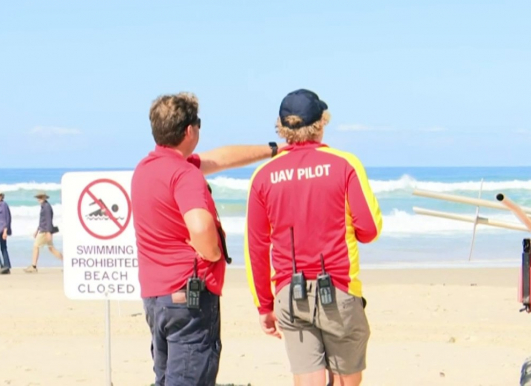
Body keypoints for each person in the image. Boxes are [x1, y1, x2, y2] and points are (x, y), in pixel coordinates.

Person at [131, 91, 284, 386]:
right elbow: (200, 226)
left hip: (156, 298)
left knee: (165, 378)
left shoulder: (146, 169)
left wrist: (274, 150)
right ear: (190, 130)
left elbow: (220, 158)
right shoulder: (184, 174)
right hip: (189, 296)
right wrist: (212, 253)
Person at [244, 89, 383, 386]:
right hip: (339, 288)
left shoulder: (263, 175)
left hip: (288, 293)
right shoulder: (344, 164)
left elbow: (256, 247)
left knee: (307, 380)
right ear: (321, 122)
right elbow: (369, 230)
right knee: (347, 379)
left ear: (282, 127)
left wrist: (264, 306)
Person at [24, 191, 63, 273]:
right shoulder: (43, 206)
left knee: (36, 246)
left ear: (45, 197)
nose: (39, 199)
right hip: (43, 230)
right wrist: (37, 230)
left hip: (45, 231)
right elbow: (42, 220)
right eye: (38, 197)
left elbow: (49, 220)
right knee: (51, 249)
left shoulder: (46, 207)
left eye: (41, 197)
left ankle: (33, 266)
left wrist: (48, 232)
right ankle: (67, 263)